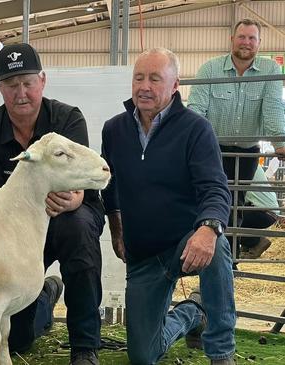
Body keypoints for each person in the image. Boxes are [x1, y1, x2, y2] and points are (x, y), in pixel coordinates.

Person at [0, 43, 105, 365]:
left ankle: (85, 347)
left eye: (28, 83)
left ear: (42, 81)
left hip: (67, 216)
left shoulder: (68, 119)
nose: (21, 93)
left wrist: (60, 199)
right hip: (14, 231)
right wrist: (35, 201)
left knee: (79, 231)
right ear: (1, 88)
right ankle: (44, 294)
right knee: (17, 343)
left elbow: (74, 194)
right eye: (11, 85)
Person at [101, 47, 235, 365]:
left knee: (217, 246)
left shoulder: (195, 129)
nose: (144, 86)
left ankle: (221, 352)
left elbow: (216, 188)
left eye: (155, 78)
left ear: (175, 86)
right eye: (139, 77)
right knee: (143, 357)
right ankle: (192, 313)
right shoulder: (114, 130)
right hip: (144, 255)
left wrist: (208, 228)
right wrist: (117, 228)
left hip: (185, 243)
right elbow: (109, 184)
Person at [188, 18, 285, 229]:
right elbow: (196, 110)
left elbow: (273, 109)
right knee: (208, 199)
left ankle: (230, 258)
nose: (246, 42)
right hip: (212, 150)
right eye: (241, 37)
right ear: (232, 39)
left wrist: (280, 143)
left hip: (247, 152)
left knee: (236, 205)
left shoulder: (271, 70)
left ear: (259, 42)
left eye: (252, 38)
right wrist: (191, 144)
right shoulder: (210, 69)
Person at [239, 165, 280, 258]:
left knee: (226, 218)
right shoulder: (252, 161)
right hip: (268, 210)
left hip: (262, 211)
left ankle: (256, 242)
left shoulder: (239, 163)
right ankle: (247, 247)